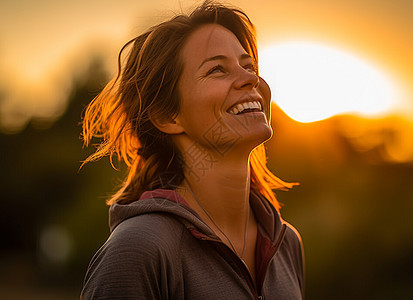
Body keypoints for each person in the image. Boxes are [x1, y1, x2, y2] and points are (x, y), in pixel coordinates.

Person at [80, 1, 305, 299]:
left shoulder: (287, 243)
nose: (251, 78)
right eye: (217, 69)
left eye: (248, 65)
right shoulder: (137, 251)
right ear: (167, 116)